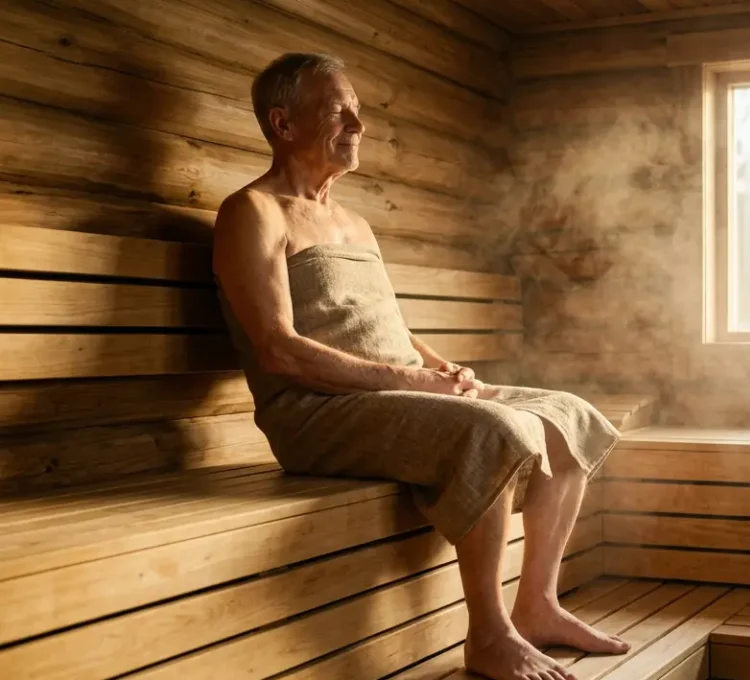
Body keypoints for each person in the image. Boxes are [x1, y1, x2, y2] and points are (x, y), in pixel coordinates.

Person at [213, 53, 625, 680]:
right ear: (282, 122)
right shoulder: (253, 212)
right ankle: (489, 635)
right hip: (316, 413)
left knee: (569, 415)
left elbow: (390, 328)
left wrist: (449, 373)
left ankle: (538, 604)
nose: (358, 122)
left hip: (398, 395)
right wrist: (418, 383)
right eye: (338, 110)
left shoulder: (355, 223)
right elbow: (278, 347)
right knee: (495, 433)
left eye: (358, 110)